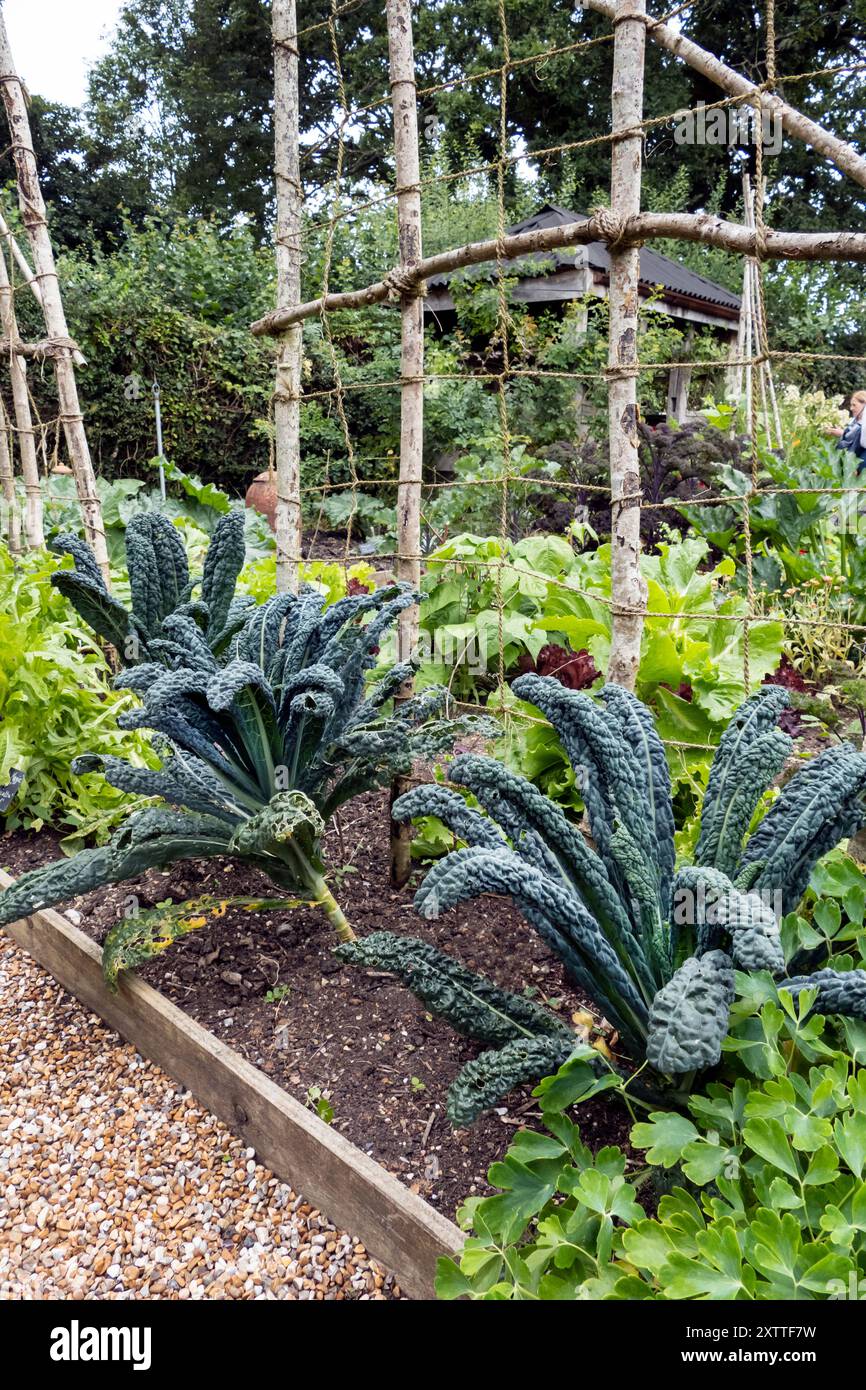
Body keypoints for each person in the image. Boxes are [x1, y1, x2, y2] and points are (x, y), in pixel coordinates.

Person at [828, 390, 866, 469]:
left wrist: (842, 433)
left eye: (854, 405)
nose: (851, 408)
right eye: (851, 405)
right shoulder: (854, 420)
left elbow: (862, 440)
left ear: (864, 404)